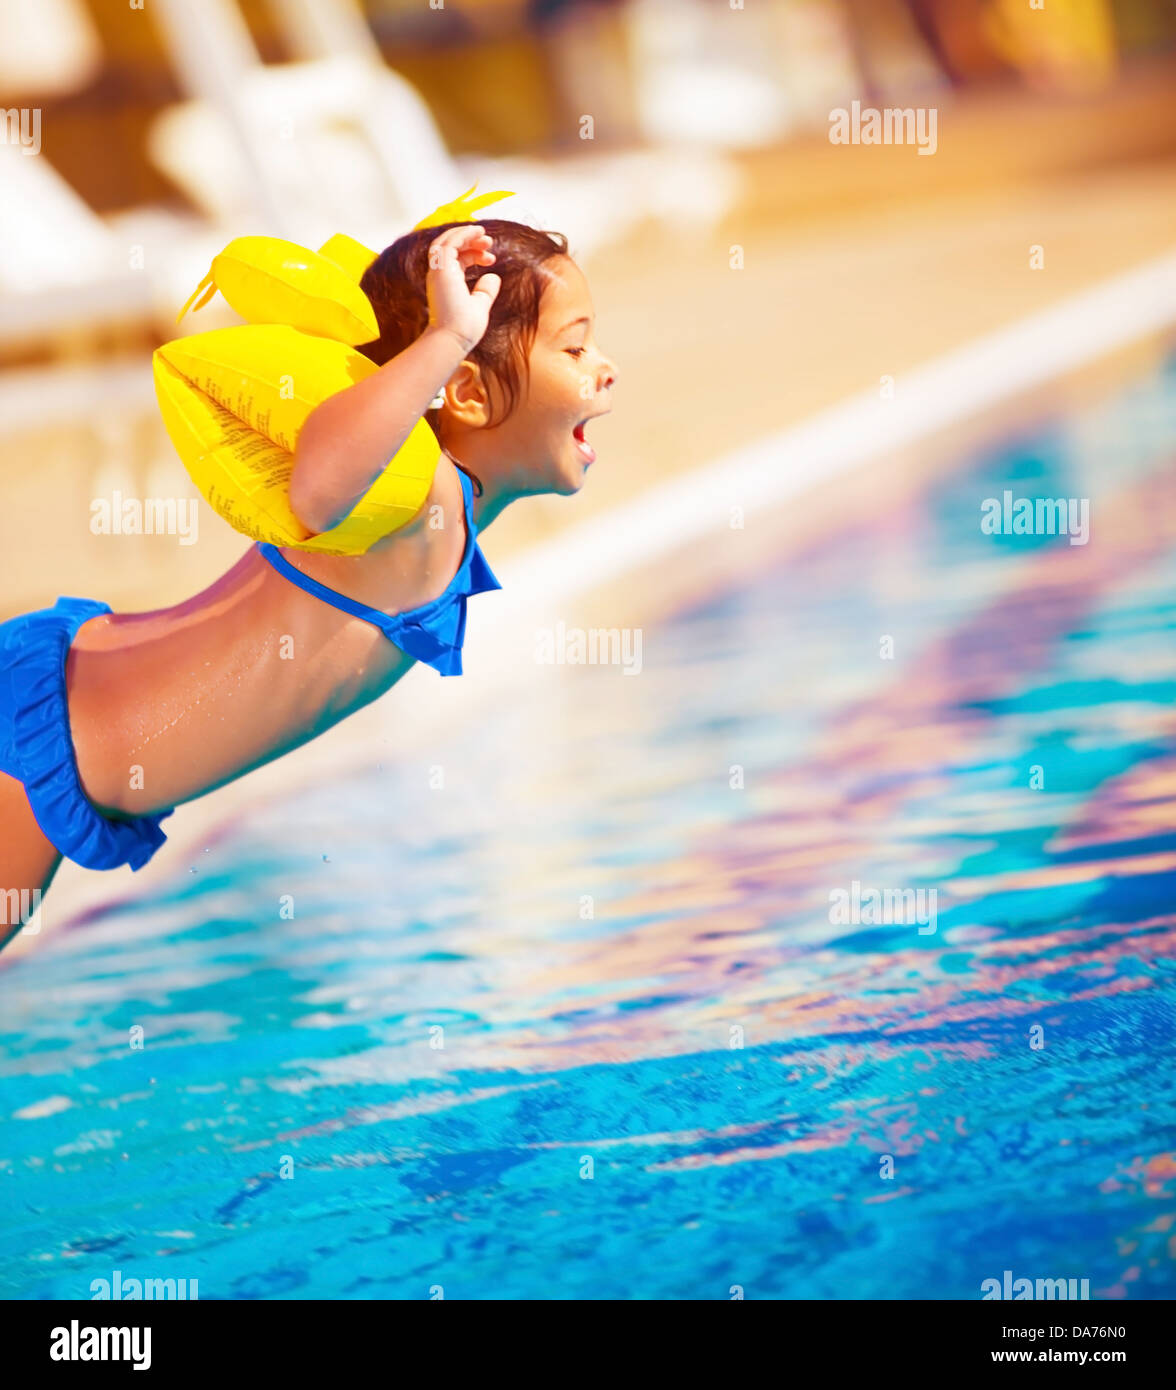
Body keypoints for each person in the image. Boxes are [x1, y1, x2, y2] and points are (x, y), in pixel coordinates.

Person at [0, 220, 618, 944]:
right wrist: (446, 336)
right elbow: (317, 487)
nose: (605, 367)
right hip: (50, 739)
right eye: (575, 348)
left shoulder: (441, 503)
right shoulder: (416, 499)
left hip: (67, 695)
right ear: (467, 393)